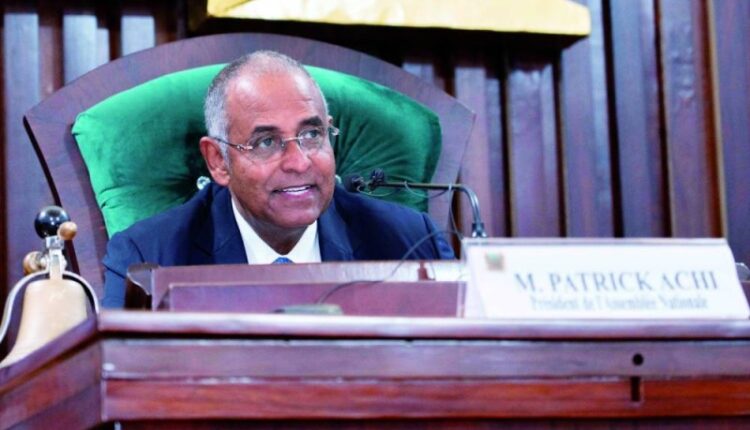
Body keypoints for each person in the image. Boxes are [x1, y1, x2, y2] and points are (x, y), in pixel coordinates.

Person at [101, 51, 454, 308]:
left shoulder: (412, 244)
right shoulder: (149, 258)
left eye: (312, 135)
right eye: (266, 142)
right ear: (218, 161)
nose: (299, 162)